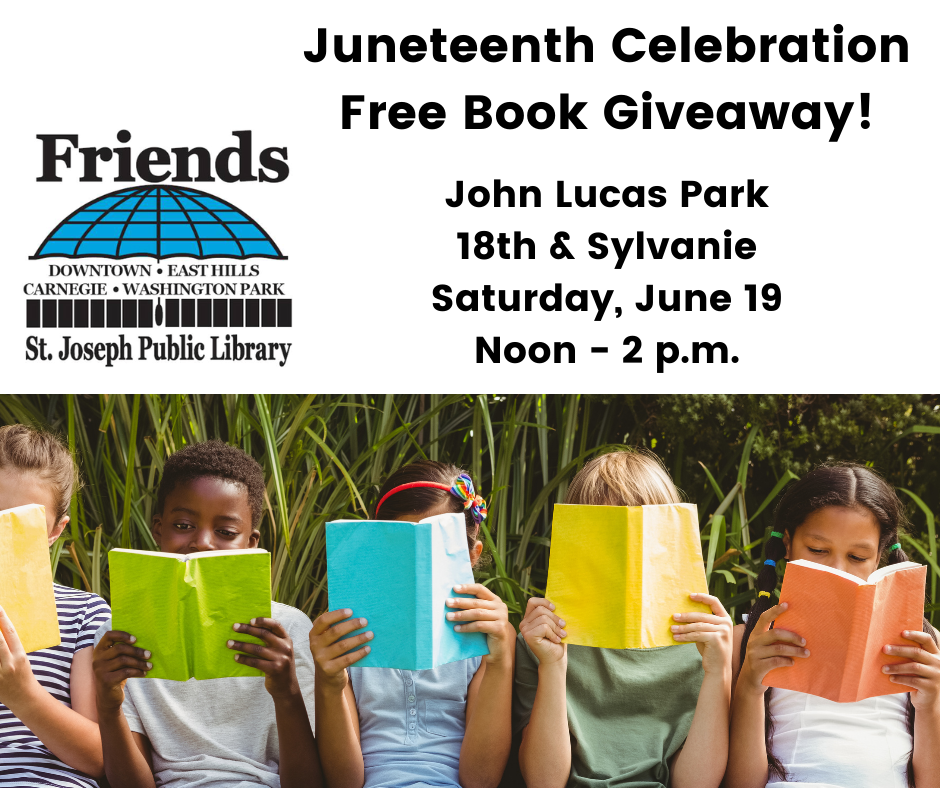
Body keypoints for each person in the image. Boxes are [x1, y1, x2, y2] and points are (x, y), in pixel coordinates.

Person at [91, 440, 321, 788]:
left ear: (251, 542)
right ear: (158, 529)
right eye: (183, 525)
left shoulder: (287, 631)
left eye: (226, 532)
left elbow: (311, 783)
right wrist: (108, 707)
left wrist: (286, 692)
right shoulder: (122, 634)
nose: (203, 542)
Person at [514, 449, 734, 788]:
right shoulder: (543, 641)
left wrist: (718, 671)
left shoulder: (701, 644)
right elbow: (544, 781)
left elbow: (695, 783)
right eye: (604, 539)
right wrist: (553, 666)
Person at [725, 463, 940, 788]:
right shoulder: (745, 643)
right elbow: (740, 784)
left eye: (857, 557)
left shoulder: (922, 648)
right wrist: (750, 687)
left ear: (880, 556)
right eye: (818, 550)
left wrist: (930, 706)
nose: (837, 569)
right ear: (787, 544)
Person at [310, 460, 514, 788]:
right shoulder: (347, 637)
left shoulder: (487, 638)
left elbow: (481, 779)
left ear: (471, 556)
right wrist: (329, 682)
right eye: (399, 550)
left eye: (436, 550)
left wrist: (501, 660)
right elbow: (345, 782)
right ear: (376, 549)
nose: (418, 567)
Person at [0, 424, 111, 787]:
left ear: (55, 531)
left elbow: (101, 758)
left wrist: (23, 694)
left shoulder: (86, 614)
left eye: (21, 523)